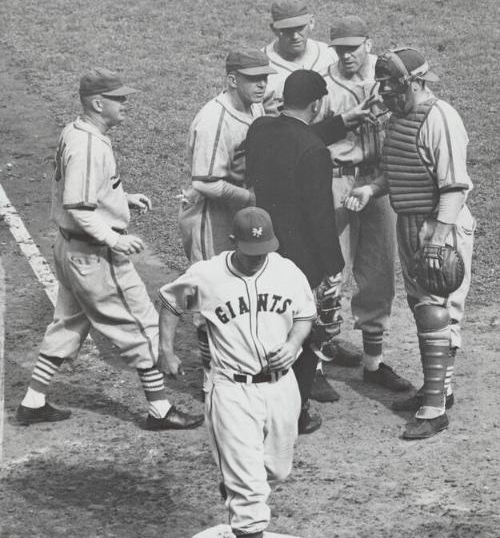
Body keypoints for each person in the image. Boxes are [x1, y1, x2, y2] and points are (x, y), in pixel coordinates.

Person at [15, 67, 204, 432]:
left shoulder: (77, 131)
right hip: (94, 255)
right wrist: (115, 238)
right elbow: (78, 206)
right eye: (119, 99)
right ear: (97, 103)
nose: (125, 103)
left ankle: (33, 401)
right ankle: (160, 410)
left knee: (69, 322)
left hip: (71, 251)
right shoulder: (88, 146)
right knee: (142, 324)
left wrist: (121, 199)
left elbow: (88, 195)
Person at [158, 207, 317, 538]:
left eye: (263, 249)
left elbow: (305, 315)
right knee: (250, 490)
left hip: (282, 390)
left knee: (276, 471)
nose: (257, 257)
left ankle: (236, 482)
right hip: (231, 391)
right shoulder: (207, 275)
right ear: (233, 242)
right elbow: (170, 302)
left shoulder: (286, 271)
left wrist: (295, 344)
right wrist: (165, 351)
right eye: (250, 251)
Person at [346, 48, 475, 439]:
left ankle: (434, 410)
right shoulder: (400, 118)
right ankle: (440, 390)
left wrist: (436, 237)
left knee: (436, 311)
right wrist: (371, 188)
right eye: (383, 87)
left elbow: (455, 186)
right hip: (410, 223)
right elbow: (396, 171)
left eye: (393, 87)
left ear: (416, 82)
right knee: (425, 309)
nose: (386, 95)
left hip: (440, 224)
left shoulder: (441, 118)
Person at [245, 69, 376, 434]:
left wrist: (338, 124)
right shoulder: (315, 153)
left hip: (261, 250)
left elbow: (291, 138)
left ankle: (262, 408)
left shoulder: (260, 131)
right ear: (317, 103)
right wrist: (332, 267)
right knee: (304, 339)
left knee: (265, 330)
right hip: (300, 260)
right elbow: (319, 217)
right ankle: (297, 415)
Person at [318, 16, 411, 393]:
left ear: (368, 44)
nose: (346, 56)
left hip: (379, 182)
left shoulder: (389, 78)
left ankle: (373, 364)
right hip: (337, 178)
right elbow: (306, 135)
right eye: (340, 49)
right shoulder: (322, 85)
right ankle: (317, 367)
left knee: (379, 270)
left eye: (353, 48)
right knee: (328, 271)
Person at [178, 48, 277, 396]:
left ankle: (235, 362)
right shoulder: (214, 120)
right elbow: (203, 182)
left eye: (264, 77)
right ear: (232, 80)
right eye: (253, 79)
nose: (261, 84)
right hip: (209, 217)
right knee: (211, 292)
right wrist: (249, 198)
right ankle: (211, 377)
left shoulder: (254, 107)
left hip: (233, 214)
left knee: (239, 289)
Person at [262, 0, 337, 115]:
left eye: (300, 28)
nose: (295, 37)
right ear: (274, 29)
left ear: (311, 22)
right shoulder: (260, 66)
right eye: (287, 30)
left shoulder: (330, 55)